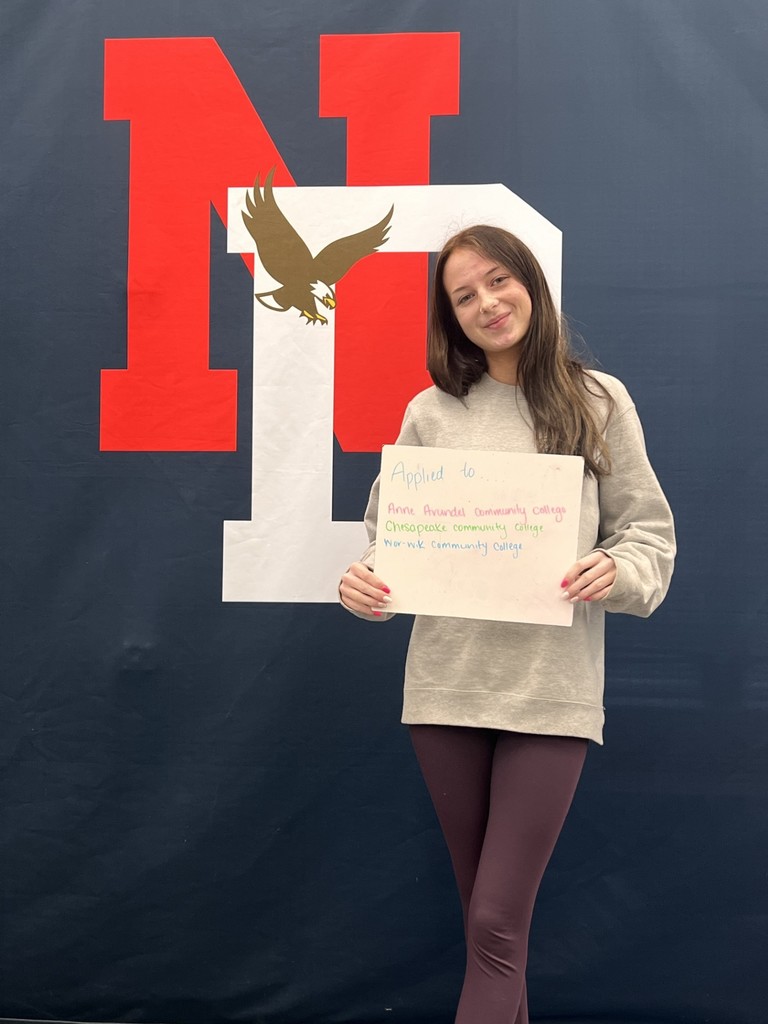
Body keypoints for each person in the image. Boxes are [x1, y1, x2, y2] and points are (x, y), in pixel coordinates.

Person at [339, 224, 675, 1024]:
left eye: (498, 281)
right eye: (464, 296)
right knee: (490, 926)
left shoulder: (599, 399)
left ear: (530, 283)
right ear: (448, 318)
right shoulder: (430, 411)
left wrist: (616, 570)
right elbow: (388, 543)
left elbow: (648, 537)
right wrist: (364, 581)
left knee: (494, 921)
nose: (486, 303)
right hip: (446, 690)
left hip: (547, 692)